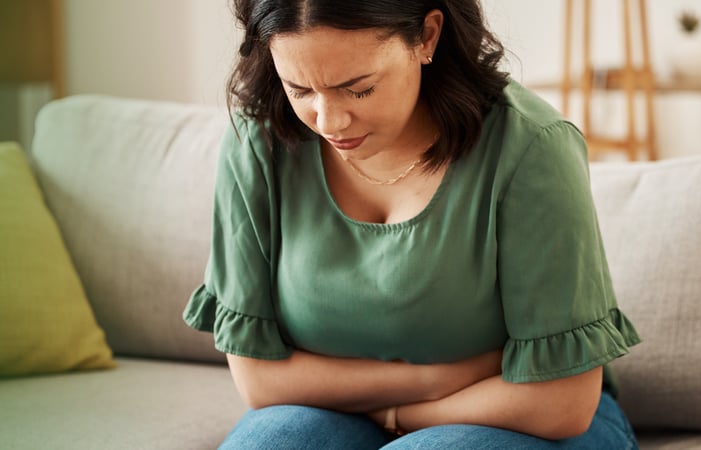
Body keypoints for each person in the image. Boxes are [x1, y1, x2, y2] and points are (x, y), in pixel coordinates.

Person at [183, 0, 642, 448]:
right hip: (338, 414)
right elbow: (260, 382)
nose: (329, 121)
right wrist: (434, 379)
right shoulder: (258, 141)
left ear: (427, 36)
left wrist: (404, 419)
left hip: (522, 420)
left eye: (358, 88)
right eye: (299, 89)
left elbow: (563, 402)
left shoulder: (530, 148)